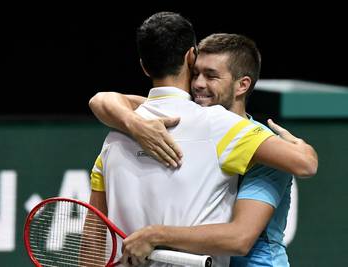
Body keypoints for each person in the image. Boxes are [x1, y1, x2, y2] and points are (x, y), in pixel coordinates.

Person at [88, 13, 317, 267]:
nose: (198, 83)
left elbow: (240, 238)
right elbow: (106, 100)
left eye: (211, 76)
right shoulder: (139, 127)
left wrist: (155, 235)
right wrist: (133, 123)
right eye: (196, 73)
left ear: (242, 85)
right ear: (189, 57)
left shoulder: (246, 137)